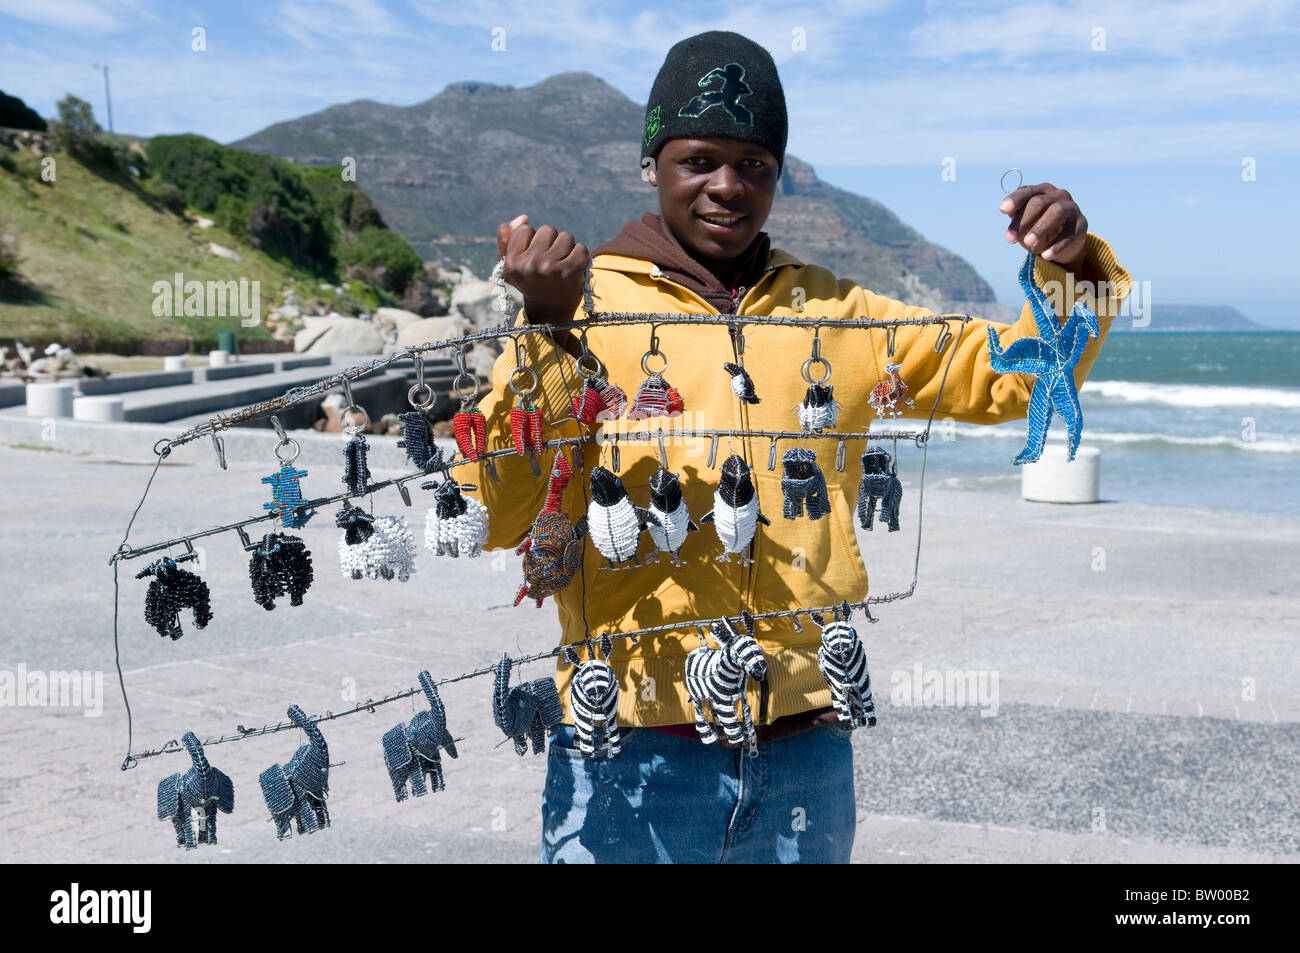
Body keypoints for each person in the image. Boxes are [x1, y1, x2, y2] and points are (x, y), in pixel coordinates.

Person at [471, 30, 1132, 863]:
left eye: (755, 165)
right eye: (699, 159)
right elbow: (500, 507)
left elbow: (1021, 379)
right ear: (652, 164)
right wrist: (546, 330)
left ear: (778, 175)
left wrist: (1073, 266)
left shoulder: (840, 313)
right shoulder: (581, 298)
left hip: (805, 753)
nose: (727, 186)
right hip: (629, 745)